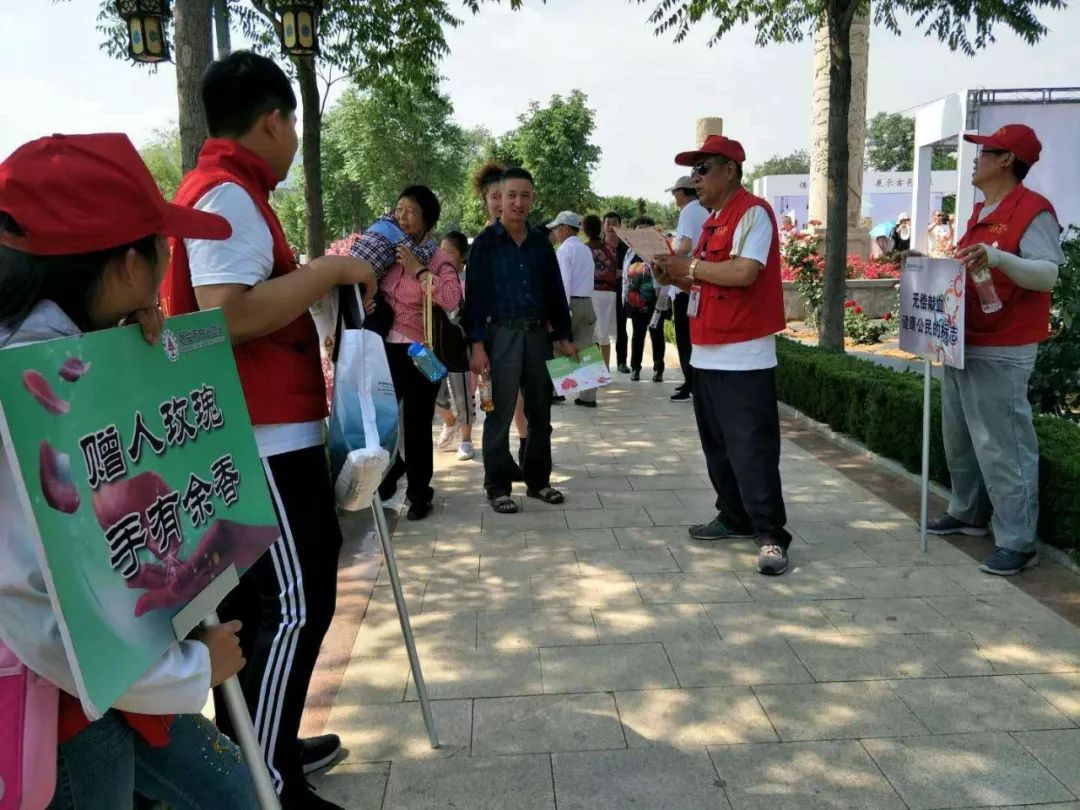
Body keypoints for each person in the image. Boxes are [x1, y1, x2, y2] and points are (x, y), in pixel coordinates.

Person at [0, 132, 259, 809]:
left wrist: (130, 350)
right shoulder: (27, 395)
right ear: (121, 265)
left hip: (122, 679)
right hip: (58, 708)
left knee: (239, 793)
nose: (168, 262)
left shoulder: (70, 352)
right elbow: (38, 610)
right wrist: (193, 668)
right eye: (160, 248)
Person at [162, 51, 376, 809]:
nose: (293, 137)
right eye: (293, 123)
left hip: (255, 436)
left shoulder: (229, 190)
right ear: (274, 120)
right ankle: (270, 784)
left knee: (268, 609)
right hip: (259, 443)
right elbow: (227, 313)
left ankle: (266, 745)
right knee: (292, 605)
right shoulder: (227, 193)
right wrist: (329, 271)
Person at [926, 124, 1066, 576]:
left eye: (984, 151)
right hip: (963, 340)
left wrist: (1000, 257)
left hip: (1004, 345)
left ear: (1006, 159)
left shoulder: (1032, 211)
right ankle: (967, 512)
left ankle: (1018, 541)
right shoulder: (982, 211)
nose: (975, 159)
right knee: (962, 437)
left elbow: (1047, 275)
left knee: (1002, 444)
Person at [653, 134, 792, 576]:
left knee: (752, 448)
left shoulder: (752, 212)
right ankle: (733, 516)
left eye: (703, 169)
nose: (695, 179)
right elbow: (708, 283)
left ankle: (771, 534)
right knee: (717, 448)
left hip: (744, 354)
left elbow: (746, 272)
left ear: (730, 169)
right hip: (708, 352)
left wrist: (689, 267)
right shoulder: (713, 221)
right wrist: (674, 276)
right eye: (693, 171)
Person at [465, 168, 575, 514]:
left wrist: (564, 336)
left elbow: (556, 293)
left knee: (540, 412)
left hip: (538, 336)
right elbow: (475, 299)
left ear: (533, 199)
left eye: (524, 195)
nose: (517, 202)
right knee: (497, 413)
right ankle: (497, 486)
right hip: (501, 336)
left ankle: (538, 481)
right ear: (500, 198)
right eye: (511, 195)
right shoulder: (485, 244)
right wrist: (478, 346)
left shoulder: (542, 243)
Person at [366, 188, 463, 520]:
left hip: (423, 352)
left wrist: (420, 271)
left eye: (411, 212)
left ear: (428, 221)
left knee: (418, 424)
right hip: (385, 352)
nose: (402, 217)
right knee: (384, 420)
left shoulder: (438, 258)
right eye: (399, 209)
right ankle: (391, 474)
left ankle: (420, 493)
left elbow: (451, 299)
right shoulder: (384, 255)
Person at [473, 160, 529, 476]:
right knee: (495, 400)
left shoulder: (525, 238)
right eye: (493, 197)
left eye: (502, 195)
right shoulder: (484, 242)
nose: (499, 202)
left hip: (523, 335)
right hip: (494, 334)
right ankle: (500, 461)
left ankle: (524, 447)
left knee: (520, 397)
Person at [548, 211, 598, 408]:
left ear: (566, 228)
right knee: (586, 349)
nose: (556, 232)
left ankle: (556, 391)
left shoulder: (564, 251)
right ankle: (588, 396)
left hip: (571, 303)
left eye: (558, 228)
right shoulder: (585, 249)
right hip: (587, 302)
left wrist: (563, 311)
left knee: (558, 346)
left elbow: (564, 283)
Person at [435, 230, 476, 461]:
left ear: (461, 256)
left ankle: (466, 439)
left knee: (464, 394)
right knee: (435, 393)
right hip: (436, 345)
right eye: (441, 251)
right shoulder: (433, 278)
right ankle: (449, 422)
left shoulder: (469, 281)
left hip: (461, 347)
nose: (443, 256)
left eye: (449, 252)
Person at [668, 175, 710, 402]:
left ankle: (691, 385)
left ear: (682, 193)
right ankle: (692, 382)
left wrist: (667, 255)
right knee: (694, 337)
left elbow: (684, 246)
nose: (674, 197)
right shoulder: (704, 211)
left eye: (675, 193)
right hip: (698, 280)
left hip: (685, 282)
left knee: (684, 338)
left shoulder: (687, 211)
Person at [623, 217, 668, 382]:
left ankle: (658, 369)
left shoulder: (660, 251)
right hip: (636, 301)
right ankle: (635, 368)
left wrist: (664, 299)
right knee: (637, 335)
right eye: (639, 229)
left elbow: (666, 276)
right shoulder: (630, 252)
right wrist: (624, 299)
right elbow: (625, 278)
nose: (642, 233)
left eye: (646, 229)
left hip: (656, 300)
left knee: (657, 334)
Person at [584, 214, 619, 382]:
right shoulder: (611, 248)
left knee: (590, 336)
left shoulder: (585, 249)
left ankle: (592, 374)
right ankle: (605, 373)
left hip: (592, 292)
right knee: (604, 336)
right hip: (609, 293)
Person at [603, 211, 631, 373]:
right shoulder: (598, 246)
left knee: (621, 328)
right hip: (602, 293)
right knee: (601, 330)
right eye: (608, 222)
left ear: (620, 226)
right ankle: (601, 364)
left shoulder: (626, 248)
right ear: (603, 225)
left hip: (620, 292)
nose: (611, 226)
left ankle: (622, 362)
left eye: (615, 223)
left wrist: (622, 272)